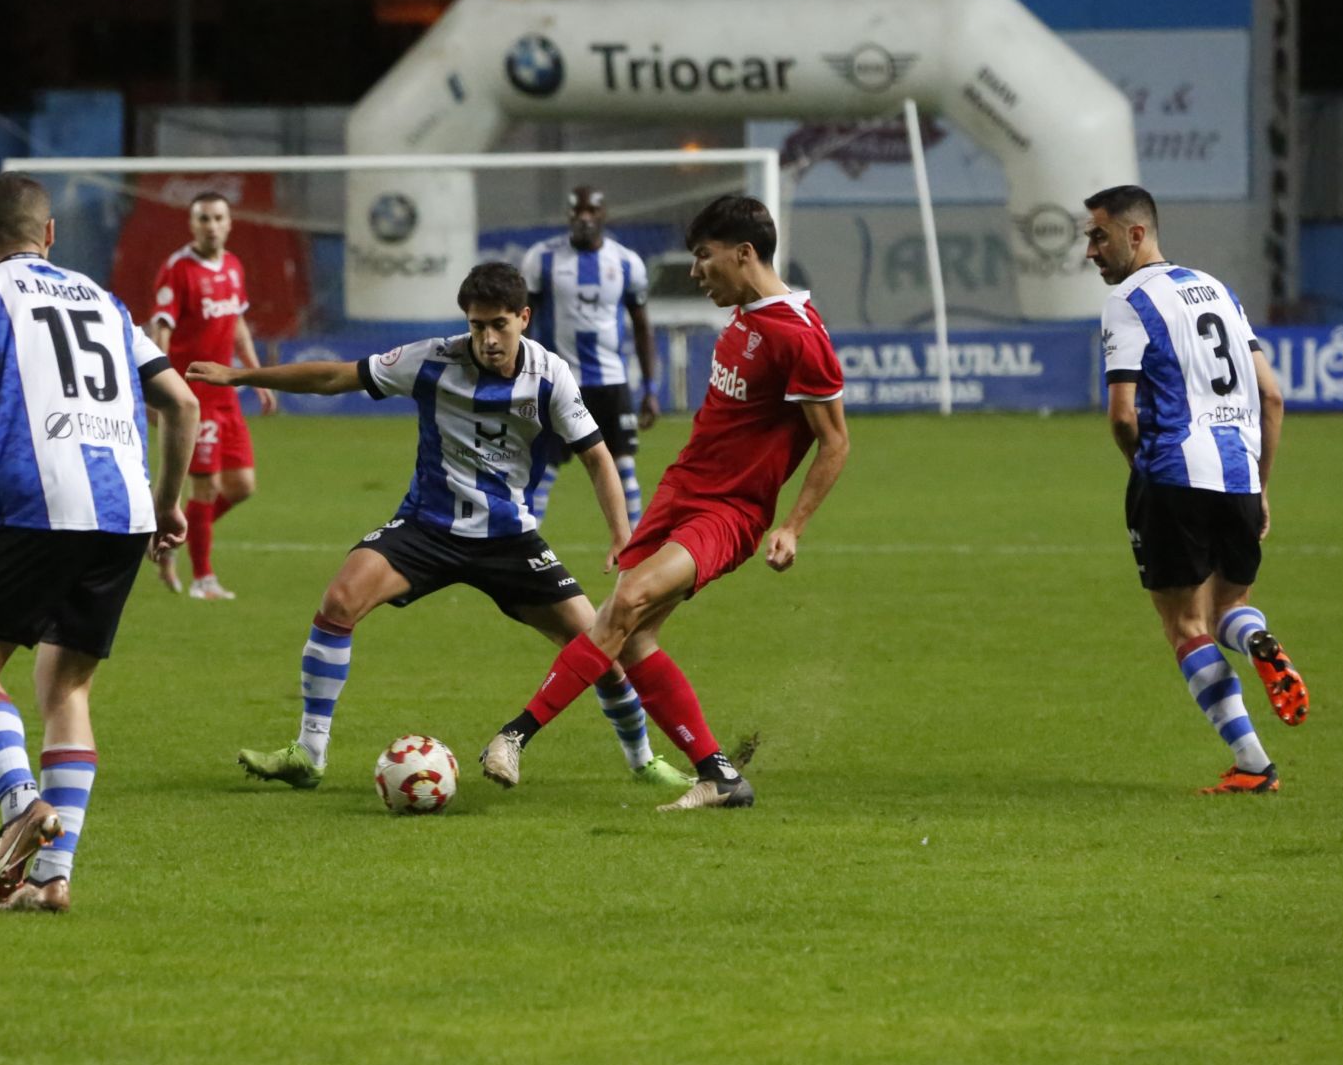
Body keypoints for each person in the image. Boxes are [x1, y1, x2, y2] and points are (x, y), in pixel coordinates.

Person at [193, 262, 692, 791]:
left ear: (523, 318)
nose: (488, 338)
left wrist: (620, 533)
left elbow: (597, 458)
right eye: (477, 326)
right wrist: (239, 376)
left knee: (600, 647)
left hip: (509, 539)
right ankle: (309, 754)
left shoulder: (550, 376)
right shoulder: (432, 359)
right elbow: (335, 376)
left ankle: (642, 761)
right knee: (340, 600)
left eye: (499, 324)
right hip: (426, 528)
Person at [481, 194, 851, 812]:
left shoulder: (800, 338)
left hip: (728, 514)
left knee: (625, 603)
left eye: (704, 258)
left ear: (745, 253)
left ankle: (513, 737)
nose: (697, 271)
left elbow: (835, 442)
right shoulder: (744, 317)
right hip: (680, 491)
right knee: (631, 638)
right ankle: (721, 777)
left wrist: (793, 526)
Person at [0, 172, 200, 913]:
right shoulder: (108, 303)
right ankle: (51, 880)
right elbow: (182, 401)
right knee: (67, 685)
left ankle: (20, 802)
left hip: (40, 498)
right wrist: (169, 503)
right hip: (125, 507)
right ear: (50, 235)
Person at [1087, 184, 1309, 794]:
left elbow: (1122, 415)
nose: (1090, 250)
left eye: (1098, 235)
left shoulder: (1129, 302)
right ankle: (1257, 639)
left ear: (1136, 235)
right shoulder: (1219, 290)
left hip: (1173, 474)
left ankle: (1254, 765)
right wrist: (1259, 485)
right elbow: (1272, 396)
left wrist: (1147, 473)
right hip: (1238, 472)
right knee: (1229, 608)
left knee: (1187, 626)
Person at [147, 191, 274, 598]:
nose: (212, 225)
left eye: (218, 218)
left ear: (229, 222)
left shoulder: (233, 267)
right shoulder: (178, 270)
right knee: (203, 489)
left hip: (227, 393)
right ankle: (204, 579)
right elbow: (160, 331)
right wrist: (160, 388)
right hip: (193, 395)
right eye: (203, 218)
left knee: (241, 486)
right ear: (193, 224)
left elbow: (236, 322)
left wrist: (254, 375)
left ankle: (169, 536)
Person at [521, 186, 658, 527]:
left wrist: (650, 389)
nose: (584, 218)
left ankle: (636, 551)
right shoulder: (542, 258)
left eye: (592, 211)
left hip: (612, 383)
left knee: (624, 467)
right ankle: (524, 545)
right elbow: (523, 322)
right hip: (559, 382)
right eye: (577, 211)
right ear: (569, 215)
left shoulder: (627, 262)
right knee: (543, 468)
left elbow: (642, 326)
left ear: (603, 214)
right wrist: (520, 375)